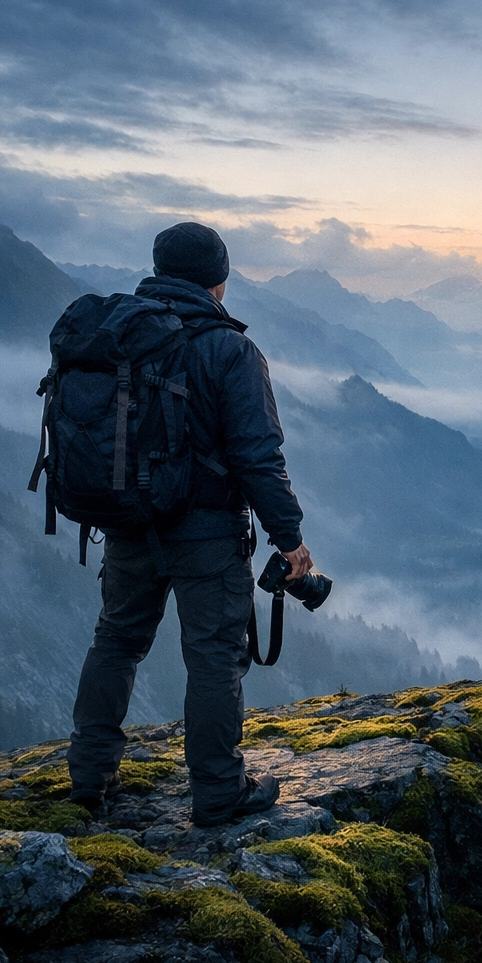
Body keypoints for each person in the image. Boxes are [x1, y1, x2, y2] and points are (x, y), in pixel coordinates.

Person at [66, 222, 312, 827]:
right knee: (214, 660)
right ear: (219, 279)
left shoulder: (118, 335)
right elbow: (257, 456)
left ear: (158, 269)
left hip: (127, 524)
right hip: (206, 536)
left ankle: (89, 781)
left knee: (116, 643)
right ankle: (218, 792)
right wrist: (291, 538)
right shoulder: (229, 350)